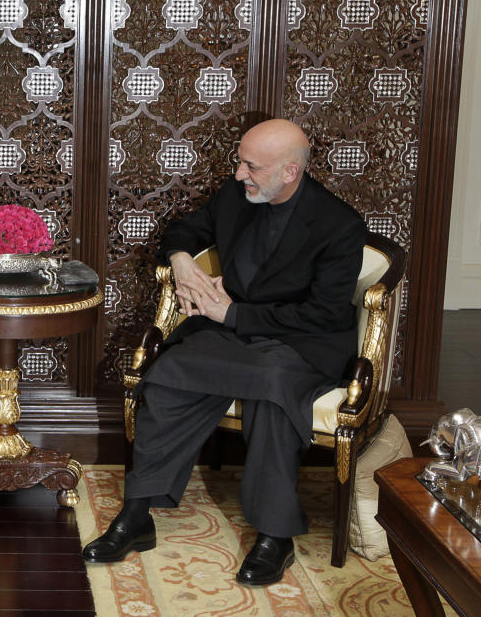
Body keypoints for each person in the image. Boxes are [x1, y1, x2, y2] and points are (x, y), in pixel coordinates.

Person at [82, 119, 366, 586]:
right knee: (167, 371)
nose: (239, 174)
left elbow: (321, 315)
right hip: (234, 332)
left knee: (272, 391)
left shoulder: (340, 225)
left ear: (290, 172)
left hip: (299, 343)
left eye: (251, 166)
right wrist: (181, 261)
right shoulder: (238, 196)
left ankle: (276, 536)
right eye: (240, 161)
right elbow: (182, 230)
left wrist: (232, 316)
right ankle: (137, 517)